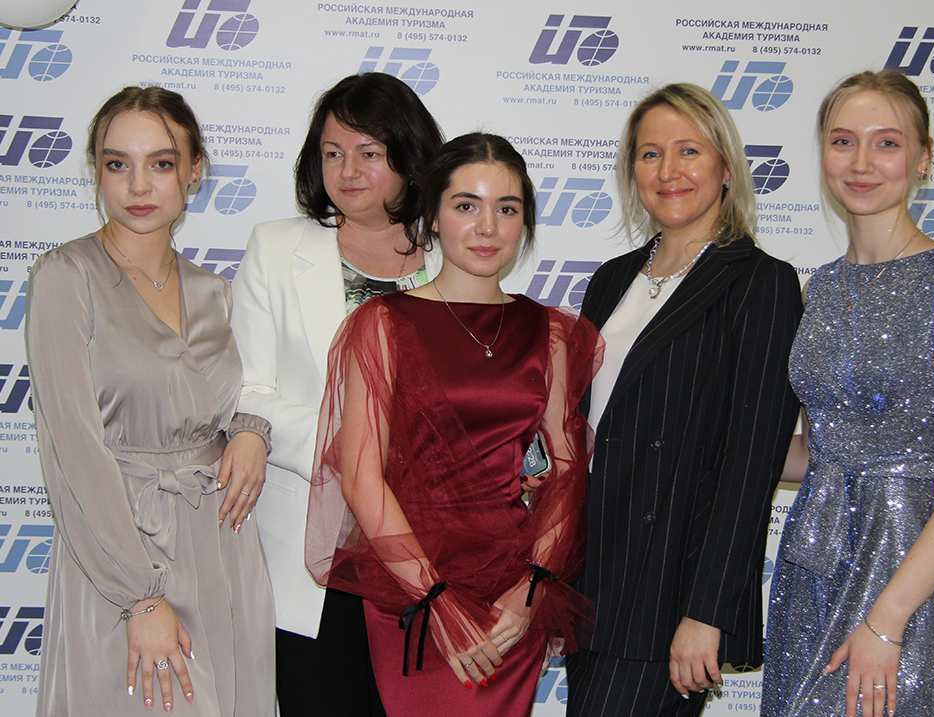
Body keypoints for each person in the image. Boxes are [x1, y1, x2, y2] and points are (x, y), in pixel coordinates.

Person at [305, 133, 603, 717]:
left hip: (512, 596)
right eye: (467, 205)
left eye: (506, 209)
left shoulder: (548, 332)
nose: (487, 227)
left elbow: (569, 472)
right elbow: (362, 478)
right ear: (434, 216)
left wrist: (532, 587)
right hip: (413, 588)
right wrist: (436, 599)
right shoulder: (384, 323)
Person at [762, 70, 934, 717]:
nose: (861, 162)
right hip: (812, 569)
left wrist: (887, 617)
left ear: (923, 157)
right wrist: (705, 446)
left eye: (887, 143)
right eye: (843, 141)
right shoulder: (817, 290)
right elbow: (820, 453)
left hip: (908, 580)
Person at [25, 86, 274, 716]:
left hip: (222, 547)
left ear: (193, 171)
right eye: (118, 164)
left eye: (161, 163)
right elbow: (71, 447)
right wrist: (137, 594)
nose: (138, 185)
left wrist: (252, 428)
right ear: (97, 172)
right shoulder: (65, 277)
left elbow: (246, 399)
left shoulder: (214, 291)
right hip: (121, 550)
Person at [565, 83, 802, 717]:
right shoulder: (612, 279)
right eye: (650, 154)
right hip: (592, 578)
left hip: (671, 590)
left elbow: (751, 463)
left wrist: (706, 611)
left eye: (688, 150)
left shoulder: (761, 283)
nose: (668, 171)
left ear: (726, 167)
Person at [230, 72, 444, 714]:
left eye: (369, 152)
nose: (347, 171)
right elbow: (248, 393)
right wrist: (358, 445)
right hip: (313, 558)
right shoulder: (277, 247)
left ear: (409, 156)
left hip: (432, 553)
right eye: (332, 153)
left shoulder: (456, 253)